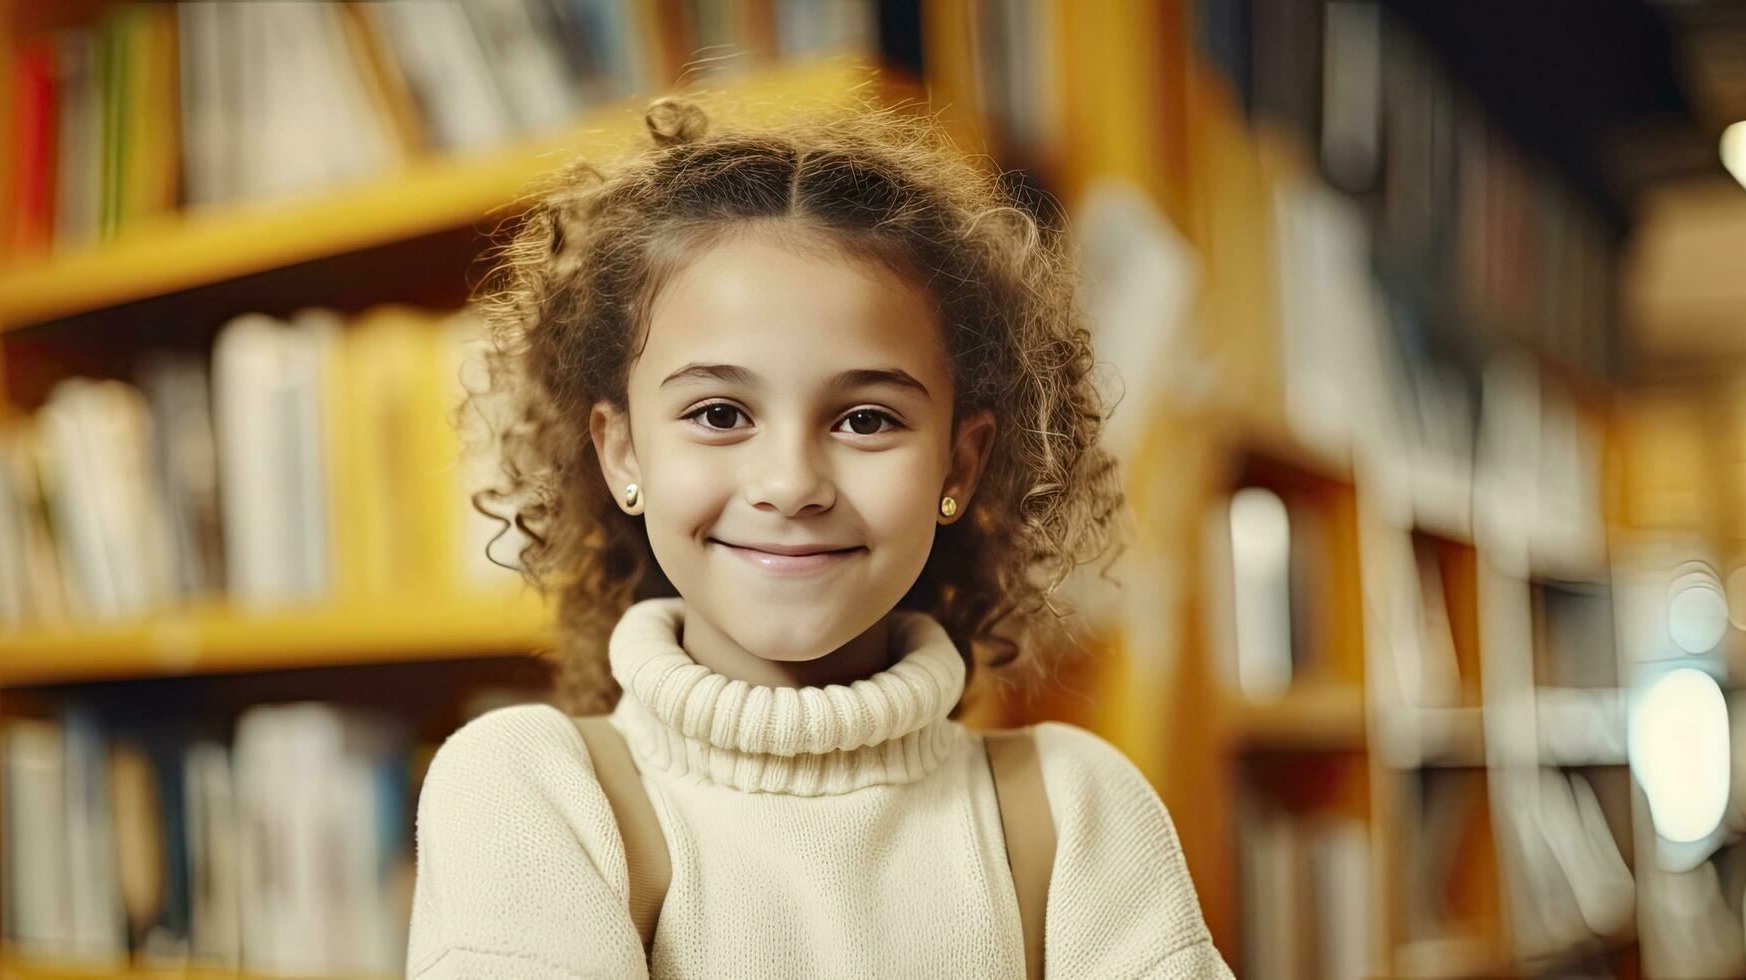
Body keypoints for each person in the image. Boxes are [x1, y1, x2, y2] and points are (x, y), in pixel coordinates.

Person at [405, 93, 1231, 979]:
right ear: (620, 452)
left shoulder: (1079, 815)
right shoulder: (531, 792)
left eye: (867, 420)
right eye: (720, 413)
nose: (792, 484)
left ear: (959, 467)